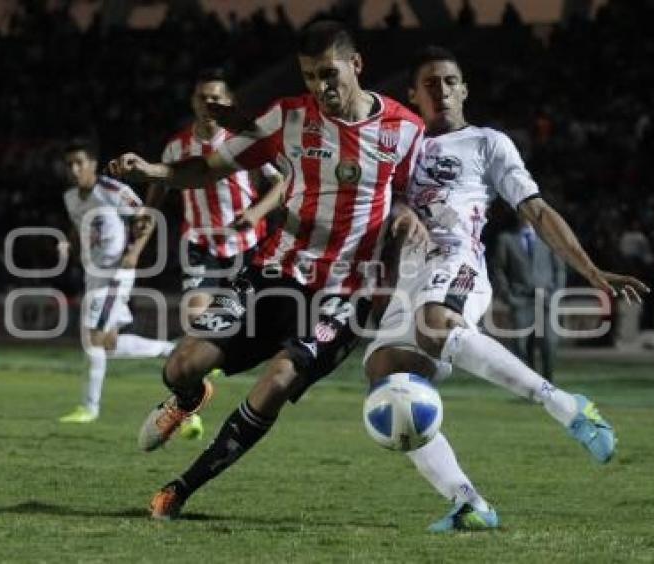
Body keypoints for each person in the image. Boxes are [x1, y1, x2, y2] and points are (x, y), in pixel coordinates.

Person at [109, 19, 427, 519]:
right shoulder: (287, 119)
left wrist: (407, 221)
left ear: (356, 65)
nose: (320, 88)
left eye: (328, 74)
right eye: (308, 76)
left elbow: (411, 197)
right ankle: (189, 398)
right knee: (180, 366)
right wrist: (155, 171)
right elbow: (212, 166)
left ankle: (181, 490)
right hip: (273, 273)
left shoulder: (406, 129)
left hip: (344, 292)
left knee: (278, 378)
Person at [362, 46, 649, 531]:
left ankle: (565, 404)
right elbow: (377, 206)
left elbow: (535, 209)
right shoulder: (399, 145)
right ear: (412, 95)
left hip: (457, 261)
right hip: (408, 275)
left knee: (434, 324)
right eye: (430, 83)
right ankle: (468, 503)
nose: (442, 90)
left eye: (450, 81)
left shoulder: (487, 143)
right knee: (387, 378)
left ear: (464, 89)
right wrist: (399, 213)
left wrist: (592, 270)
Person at [152, 68, 284, 325]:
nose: (208, 104)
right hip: (199, 243)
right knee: (196, 320)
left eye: (215, 98)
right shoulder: (176, 146)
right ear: (193, 102)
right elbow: (161, 180)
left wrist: (255, 213)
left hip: (245, 243)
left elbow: (281, 182)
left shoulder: (246, 141)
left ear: (229, 102)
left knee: (240, 324)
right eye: (202, 98)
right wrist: (148, 211)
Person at [58, 139, 176, 424]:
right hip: (93, 273)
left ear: (93, 164)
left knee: (92, 338)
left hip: (115, 273)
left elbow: (145, 218)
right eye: (69, 164)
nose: (74, 169)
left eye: (79, 163)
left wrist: (134, 252)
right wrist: (69, 245)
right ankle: (172, 349)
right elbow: (79, 228)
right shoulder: (71, 198)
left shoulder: (112, 191)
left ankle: (89, 407)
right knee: (108, 343)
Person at [493, 218, 566, 380]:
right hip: (520, 300)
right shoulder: (506, 239)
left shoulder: (548, 237)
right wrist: (508, 296)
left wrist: (555, 294)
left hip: (545, 299)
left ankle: (549, 383)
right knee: (522, 346)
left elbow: (560, 269)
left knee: (548, 343)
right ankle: (530, 384)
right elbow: (499, 269)